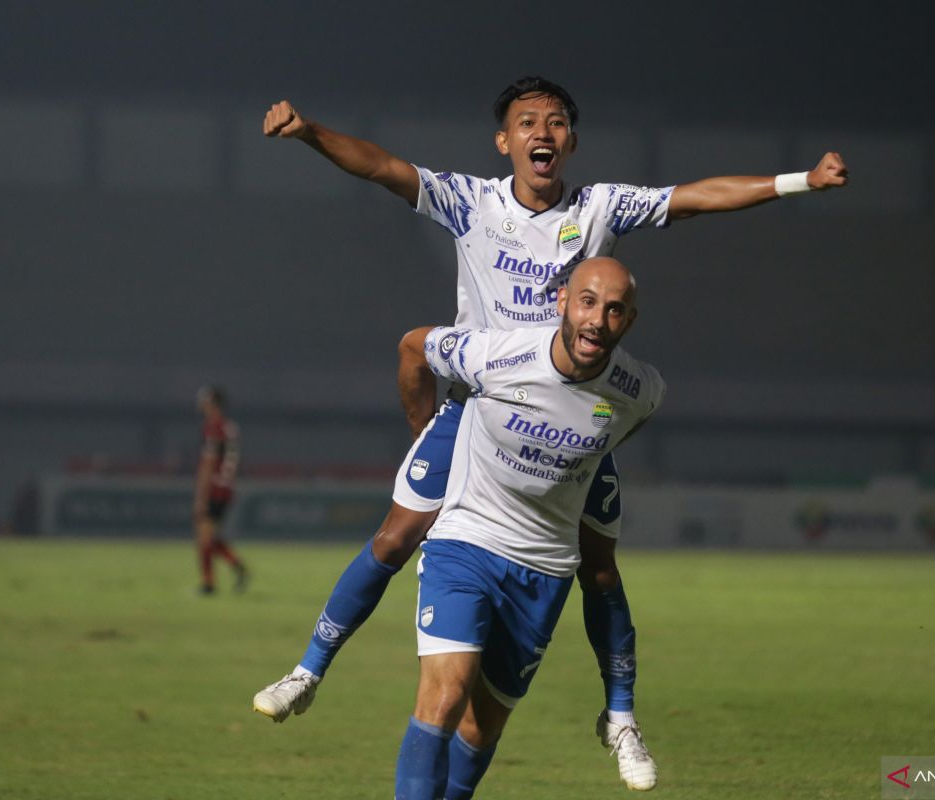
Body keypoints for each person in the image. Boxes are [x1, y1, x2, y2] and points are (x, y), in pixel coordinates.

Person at [253, 76, 847, 791]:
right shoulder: (473, 202)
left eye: (557, 121)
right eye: (527, 121)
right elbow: (382, 167)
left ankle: (621, 715)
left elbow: (694, 198)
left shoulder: (599, 208)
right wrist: (311, 132)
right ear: (505, 141)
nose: (544, 131)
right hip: (479, 403)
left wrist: (801, 182)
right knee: (395, 536)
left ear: (570, 141)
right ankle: (307, 671)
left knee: (600, 569)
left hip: (571, 422)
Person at [395, 257, 664, 799]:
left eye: (614, 310)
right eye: (588, 302)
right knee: (445, 699)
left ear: (628, 321)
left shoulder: (640, 389)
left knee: (481, 727)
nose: (597, 320)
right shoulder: (499, 353)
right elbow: (414, 346)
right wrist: (424, 429)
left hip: (543, 569)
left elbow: (617, 431)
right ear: (562, 300)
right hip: (466, 543)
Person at [194, 385, 247, 594]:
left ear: (211, 403)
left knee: (204, 538)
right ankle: (236, 565)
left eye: (203, 401)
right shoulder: (230, 428)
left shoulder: (213, 428)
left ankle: (208, 583)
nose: (200, 404)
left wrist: (200, 495)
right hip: (226, 488)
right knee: (210, 537)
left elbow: (208, 463)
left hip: (214, 488)